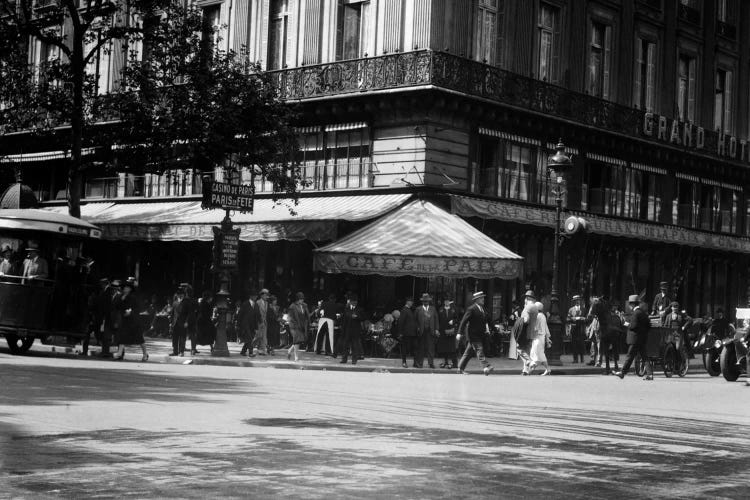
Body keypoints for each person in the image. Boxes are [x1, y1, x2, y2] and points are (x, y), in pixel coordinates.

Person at [615, 295, 653, 380]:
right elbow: (648, 325)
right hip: (642, 339)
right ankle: (650, 374)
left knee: (630, 356)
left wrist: (626, 324)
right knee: (644, 357)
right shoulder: (643, 312)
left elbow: (633, 326)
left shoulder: (635, 313)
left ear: (631, 305)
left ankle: (622, 372)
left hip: (635, 339)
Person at [456, 291, 494, 375]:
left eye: (483, 298)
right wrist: (459, 332)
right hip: (473, 335)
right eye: (481, 298)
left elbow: (488, 320)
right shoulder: (471, 309)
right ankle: (486, 366)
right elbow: (463, 321)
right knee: (479, 349)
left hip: (481, 335)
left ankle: (460, 368)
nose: (483, 299)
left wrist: (494, 328)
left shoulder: (483, 309)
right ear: (476, 300)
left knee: (468, 353)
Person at [112, 278, 149, 361]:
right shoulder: (121, 296)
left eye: (126, 287)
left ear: (130, 289)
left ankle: (145, 354)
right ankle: (119, 353)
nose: (124, 289)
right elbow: (116, 306)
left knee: (140, 339)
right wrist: (121, 300)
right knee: (122, 337)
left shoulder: (134, 297)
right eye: (124, 287)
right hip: (125, 320)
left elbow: (138, 308)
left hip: (134, 321)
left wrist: (131, 312)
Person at [83, 277, 111, 356]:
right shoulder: (101, 292)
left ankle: (105, 351)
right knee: (94, 334)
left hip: (98, 317)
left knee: (98, 335)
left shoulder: (106, 292)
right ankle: (104, 351)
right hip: (96, 317)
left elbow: (103, 306)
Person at [515, 290, 537, 375]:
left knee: (519, 348)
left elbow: (526, 320)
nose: (524, 301)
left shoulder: (527, 307)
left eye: (525, 299)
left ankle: (530, 361)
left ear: (527, 299)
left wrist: (519, 319)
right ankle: (525, 371)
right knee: (527, 350)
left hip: (525, 333)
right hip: (532, 333)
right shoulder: (535, 307)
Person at [415, 293, 439, 369]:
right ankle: (420, 363)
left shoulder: (433, 309)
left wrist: (436, 329)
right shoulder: (418, 309)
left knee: (431, 348)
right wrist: (417, 327)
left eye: (427, 301)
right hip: (421, 331)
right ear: (422, 302)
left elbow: (436, 320)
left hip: (430, 331)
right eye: (424, 301)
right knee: (421, 348)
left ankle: (431, 363)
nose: (425, 302)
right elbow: (415, 321)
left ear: (429, 301)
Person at [339, 293, 364, 365]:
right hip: (347, 330)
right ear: (351, 302)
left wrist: (357, 317)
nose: (354, 303)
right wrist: (343, 329)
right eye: (353, 301)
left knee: (354, 346)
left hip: (355, 330)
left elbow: (363, 318)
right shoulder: (346, 309)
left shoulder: (359, 309)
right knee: (345, 345)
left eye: (355, 301)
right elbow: (344, 320)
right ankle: (344, 359)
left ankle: (354, 360)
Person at [529, 302, 552, 375]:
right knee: (537, 353)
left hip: (538, 337)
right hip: (540, 337)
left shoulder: (537, 316)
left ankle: (534, 367)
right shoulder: (543, 316)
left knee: (538, 354)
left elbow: (533, 326)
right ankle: (533, 368)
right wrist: (547, 337)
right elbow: (546, 327)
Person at [286, 292, 310, 362]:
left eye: (303, 299)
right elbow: (290, 317)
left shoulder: (305, 305)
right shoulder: (292, 306)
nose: (302, 300)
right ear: (297, 299)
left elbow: (306, 316)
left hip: (302, 326)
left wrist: (307, 324)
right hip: (294, 326)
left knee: (298, 341)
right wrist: (295, 325)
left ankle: (290, 350)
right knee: (297, 341)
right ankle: (296, 357)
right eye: (300, 299)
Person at [437, 298, 458, 369]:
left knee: (451, 348)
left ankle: (452, 363)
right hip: (442, 331)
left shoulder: (453, 309)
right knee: (443, 348)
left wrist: (453, 321)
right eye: (445, 301)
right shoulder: (440, 309)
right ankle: (445, 362)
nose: (446, 302)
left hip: (451, 330)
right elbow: (438, 320)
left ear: (450, 302)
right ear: (444, 302)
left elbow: (457, 318)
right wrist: (438, 329)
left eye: (448, 301)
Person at [397, 297, 418, 368]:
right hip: (406, 333)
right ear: (407, 302)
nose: (412, 303)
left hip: (413, 333)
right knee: (405, 348)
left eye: (412, 302)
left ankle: (415, 363)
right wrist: (400, 333)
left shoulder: (410, 310)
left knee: (415, 347)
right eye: (411, 302)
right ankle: (404, 362)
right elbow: (400, 322)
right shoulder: (404, 310)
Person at [169, 286, 191, 357]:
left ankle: (181, 352)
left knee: (182, 337)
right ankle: (175, 351)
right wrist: (170, 322)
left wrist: (187, 322)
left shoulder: (186, 302)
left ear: (184, 295)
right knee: (175, 338)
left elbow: (189, 313)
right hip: (175, 322)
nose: (180, 296)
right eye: (179, 294)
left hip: (183, 322)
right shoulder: (175, 302)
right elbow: (172, 313)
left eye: (181, 294)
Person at [237, 291, 258, 357]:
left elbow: (256, 316)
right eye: (254, 296)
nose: (255, 297)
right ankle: (251, 352)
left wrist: (256, 327)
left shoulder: (255, 305)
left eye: (256, 296)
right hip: (245, 324)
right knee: (249, 338)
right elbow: (240, 314)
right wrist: (238, 324)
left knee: (249, 338)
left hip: (252, 325)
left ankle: (243, 351)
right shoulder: (245, 304)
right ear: (251, 296)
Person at [567, 295, 587, 363]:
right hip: (574, 328)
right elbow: (568, 319)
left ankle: (582, 359)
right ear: (574, 302)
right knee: (574, 344)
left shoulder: (584, 309)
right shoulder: (571, 309)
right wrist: (575, 318)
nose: (577, 301)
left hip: (581, 328)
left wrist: (583, 318)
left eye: (578, 300)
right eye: (576, 300)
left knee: (581, 344)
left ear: (580, 301)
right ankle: (575, 359)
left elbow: (587, 318)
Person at [252, 289, 271, 356]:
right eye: (266, 295)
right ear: (262, 295)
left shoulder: (267, 303)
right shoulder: (257, 302)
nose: (267, 297)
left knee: (264, 337)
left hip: (265, 322)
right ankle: (250, 345)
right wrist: (259, 321)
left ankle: (262, 350)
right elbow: (256, 313)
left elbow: (266, 313)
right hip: (259, 322)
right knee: (258, 336)